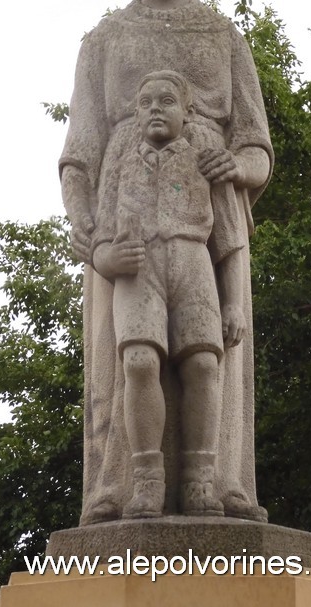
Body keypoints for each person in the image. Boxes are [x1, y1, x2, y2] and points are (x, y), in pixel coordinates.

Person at [60, 0, 273, 524]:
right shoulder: (104, 41)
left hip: (207, 209)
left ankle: (222, 478)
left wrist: (237, 167)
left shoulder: (223, 36)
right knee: (130, 357)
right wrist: (85, 223)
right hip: (125, 218)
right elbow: (81, 148)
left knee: (212, 354)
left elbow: (256, 142)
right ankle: (119, 485)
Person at [91, 70, 245, 518]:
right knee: (139, 363)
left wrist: (233, 301)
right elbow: (101, 239)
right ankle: (145, 480)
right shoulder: (120, 162)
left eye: (166, 101)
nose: (155, 109)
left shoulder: (205, 157)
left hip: (192, 264)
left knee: (202, 364)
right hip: (139, 273)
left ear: (188, 112)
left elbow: (230, 239)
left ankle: (200, 479)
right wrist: (110, 259)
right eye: (145, 103)